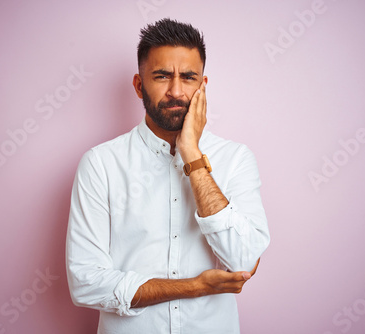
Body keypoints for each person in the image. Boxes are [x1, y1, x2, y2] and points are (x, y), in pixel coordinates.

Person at [66, 18, 270, 333]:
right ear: (138, 85)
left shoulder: (236, 159)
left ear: (203, 86)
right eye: (162, 76)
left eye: (188, 77)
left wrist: (191, 153)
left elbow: (242, 261)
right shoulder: (100, 165)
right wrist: (194, 286)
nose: (176, 91)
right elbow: (85, 282)